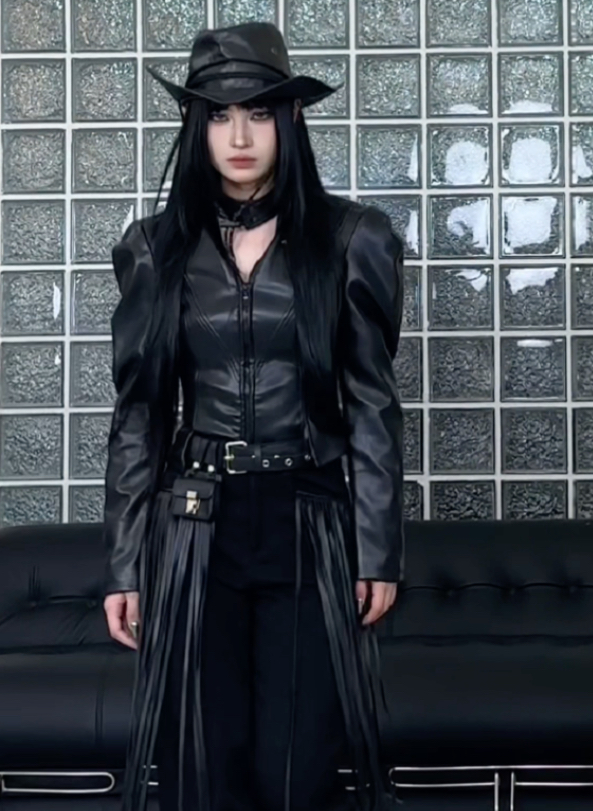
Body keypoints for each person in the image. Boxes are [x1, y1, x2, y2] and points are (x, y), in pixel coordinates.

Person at [100, 22, 404, 811]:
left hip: (309, 519)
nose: (239, 137)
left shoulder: (353, 240)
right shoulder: (153, 250)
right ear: (195, 124)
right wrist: (126, 565)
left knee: (298, 768)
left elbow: (372, 404)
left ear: (292, 119)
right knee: (202, 766)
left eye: (260, 113)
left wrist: (378, 550)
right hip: (195, 528)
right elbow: (139, 416)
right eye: (219, 115)